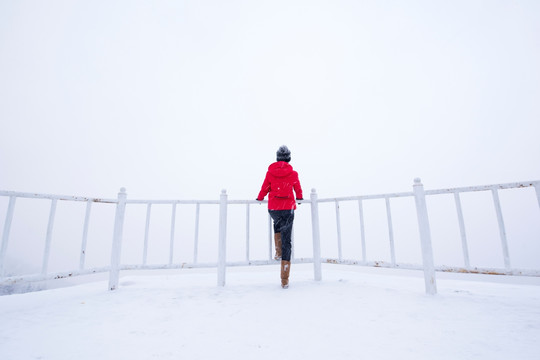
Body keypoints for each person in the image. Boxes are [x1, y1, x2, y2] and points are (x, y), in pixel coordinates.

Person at [256, 145, 303, 289]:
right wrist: (299, 198)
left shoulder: (270, 173)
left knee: (277, 223)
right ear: (289, 158)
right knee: (287, 239)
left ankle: (278, 251)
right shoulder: (293, 174)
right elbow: (298, 188)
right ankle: (284, 279)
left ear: (277, 158)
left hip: (274, 208)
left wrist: (260, 198)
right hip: (287, 208)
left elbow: (265, 187)